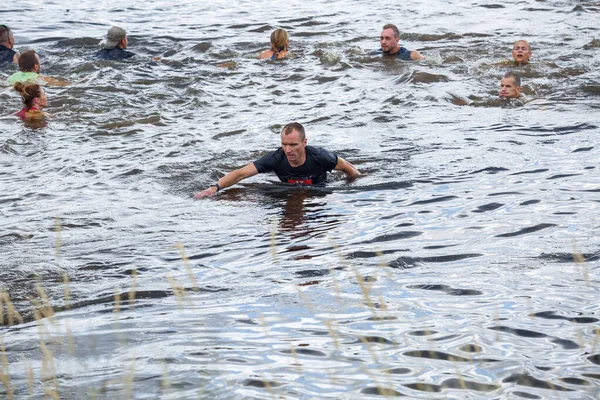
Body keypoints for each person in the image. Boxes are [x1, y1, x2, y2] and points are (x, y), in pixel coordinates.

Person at [194, 122, 360, 199]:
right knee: (241, 194)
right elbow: (240, 174)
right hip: (286, 189)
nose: (288, 150)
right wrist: (214, 188)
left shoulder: (320, 157)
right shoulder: (275, 158)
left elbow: (350, 169)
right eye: (284, 144)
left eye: (293, 145)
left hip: (319, 191)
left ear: (304, 142)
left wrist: (350, 188)